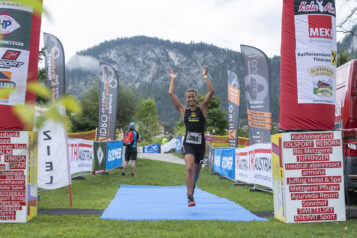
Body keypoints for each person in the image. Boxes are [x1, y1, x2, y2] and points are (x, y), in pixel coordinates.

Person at [168, 65, 214, 207]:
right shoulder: (183, 110)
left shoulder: (203, 108)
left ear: (196, 97)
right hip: (188, 142)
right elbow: (171, 93)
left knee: (197, 171)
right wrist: (173, 79)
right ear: (186, 99)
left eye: (193, 96)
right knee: (189, 168)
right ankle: (189, 197)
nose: (191, 99)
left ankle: (192, 188)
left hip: (200, 144)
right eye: (188, 97)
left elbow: (211, 91)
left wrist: (205, 76)